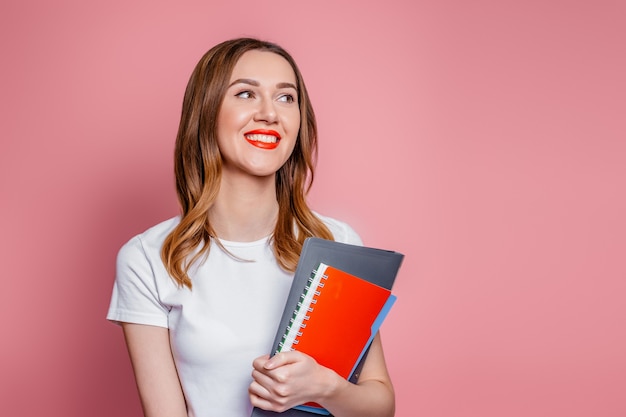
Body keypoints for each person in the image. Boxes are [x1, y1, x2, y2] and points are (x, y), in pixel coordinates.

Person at [107, 37, 395, 417]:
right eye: (245, 94)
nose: (269, 113)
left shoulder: (336, 242)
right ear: (206, 112)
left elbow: (380, 406)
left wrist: (325, 387)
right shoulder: (148, 258)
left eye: (286, 97)